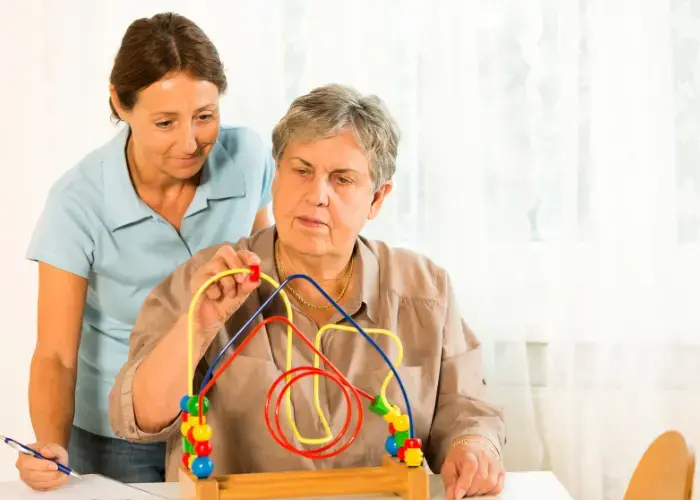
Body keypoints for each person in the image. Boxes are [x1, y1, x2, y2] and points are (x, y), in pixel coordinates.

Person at [110, 84, 506, 498]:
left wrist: (472, 446)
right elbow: (139, 419)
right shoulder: (208, 278)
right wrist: (199, 325)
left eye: (342, 179)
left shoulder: (425, 290)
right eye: (301, 170)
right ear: (275, 176)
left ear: (376, 199)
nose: (317, 196)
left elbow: (468, 411)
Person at [17, 12, 274, 491]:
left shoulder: (249, 157)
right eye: (164, 122)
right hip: (119, 432)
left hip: (226, 417)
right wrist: (49, 443)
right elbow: (56, 354)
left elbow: (266, 278)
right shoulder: (78, 201)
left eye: (205, 116)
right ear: (119, 101)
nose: (190, 142)